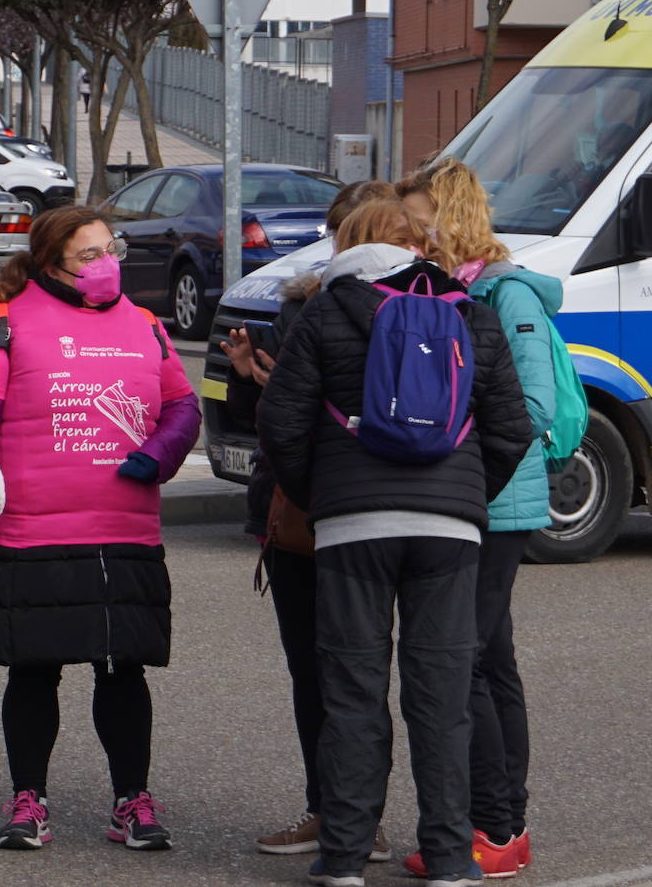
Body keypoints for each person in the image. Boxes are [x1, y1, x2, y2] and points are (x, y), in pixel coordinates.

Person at [259, 198, 532, 887]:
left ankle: (345, 858)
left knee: (352, 694)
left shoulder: (324, 310)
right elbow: (510, 428)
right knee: (441, 700)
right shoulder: (470, 312)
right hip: (449, 532)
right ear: (421, 246)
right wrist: (468, 498)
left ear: (347, 244)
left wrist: (324, 498)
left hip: (353, 527)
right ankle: (447, 860)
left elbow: (282, 423)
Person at [0, 206, 201, 853]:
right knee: (33, 670)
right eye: (90, 255)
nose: (107, 263)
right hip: (34, 530)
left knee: (123, 670)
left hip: (124, 528)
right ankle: (29, 800)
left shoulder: (144, 325)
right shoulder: (4, 322)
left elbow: (183, 406)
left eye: (112, 249)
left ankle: (132, 799)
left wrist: (158, 454)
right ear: (51, 261)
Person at [221, 179, 397, 861]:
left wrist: (279, 406)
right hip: (316, 513)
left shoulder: (325, 311)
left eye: (340, 231)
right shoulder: (301, 306)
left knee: (341, 675)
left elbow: (306, 422)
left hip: (327, 513)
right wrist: (248, 379)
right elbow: (268, 422)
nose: (331, 244)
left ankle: (349, 818)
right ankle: (336, 812)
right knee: (325, 673)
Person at [397, 157, 561, 878]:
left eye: (416, 222)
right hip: (474, 496)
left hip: (498, 500)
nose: (409, 236)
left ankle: (495, 826)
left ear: (449, 216)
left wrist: (450, 442)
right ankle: (499, 824)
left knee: (466, 660)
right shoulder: (454, 290)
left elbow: (534, 409)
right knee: (487, 659)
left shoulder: (504, 294)